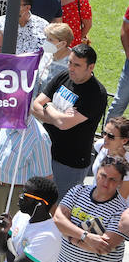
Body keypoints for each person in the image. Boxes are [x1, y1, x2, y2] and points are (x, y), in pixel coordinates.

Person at [33, 43, 108, 194]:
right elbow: (35, 105)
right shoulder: (64, 76)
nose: (71, 68)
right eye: (70, 62)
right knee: (38, 202)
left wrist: (48, 107)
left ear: (90, 67)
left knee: (60, 208)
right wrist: (55, 114)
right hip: (45, 152)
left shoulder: (95, 94)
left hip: (70, 162)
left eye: (77, 65)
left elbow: (63, 124)